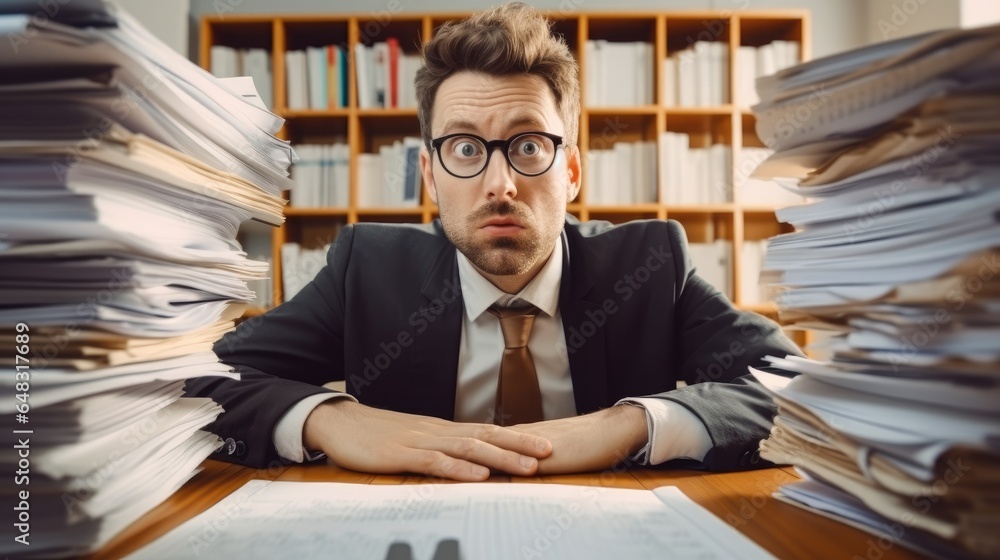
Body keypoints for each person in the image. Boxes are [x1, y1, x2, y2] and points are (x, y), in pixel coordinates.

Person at [185, 3, 802, 481]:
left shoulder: (649, 265)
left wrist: (633, 423)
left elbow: (793, 385)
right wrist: (328, 419)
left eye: (529, 146)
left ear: (573, 172)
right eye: (464, 149)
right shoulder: (367, 270)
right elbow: (200, 378)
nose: (499, 184)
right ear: (430, 176)